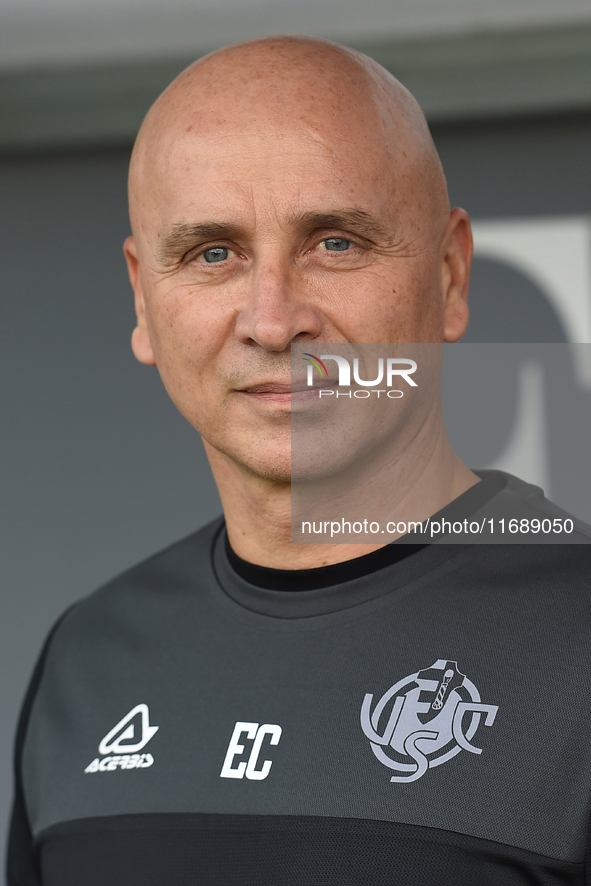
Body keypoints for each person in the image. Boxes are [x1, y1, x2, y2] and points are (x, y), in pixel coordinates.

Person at [7, 35, 591, 886]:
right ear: (142, 298)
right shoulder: (87, 656)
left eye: (335, 242)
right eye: (213, 253)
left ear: (450, 276)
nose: (274, 322)